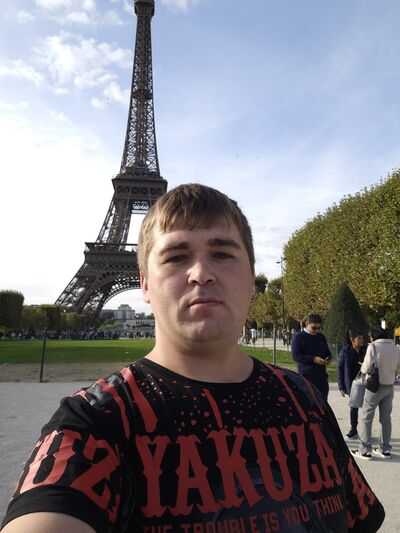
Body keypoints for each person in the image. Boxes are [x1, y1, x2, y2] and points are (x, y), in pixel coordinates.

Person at [1, 184, 384, 532]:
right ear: (145, 284)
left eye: (222, 254)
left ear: (251, 278)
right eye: (176, 257)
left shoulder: (307, 401)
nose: (201, 273)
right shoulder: (94, 423)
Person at [352, 325, 400, 460]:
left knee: (366, 418)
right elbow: (398, 368)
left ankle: (365, 450)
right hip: (389, 386)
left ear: (373, 336)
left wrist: (364, 368)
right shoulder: (395, 348)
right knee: (386, 419)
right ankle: (385, 449)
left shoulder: (373, 347)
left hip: (374, 387)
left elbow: (366, 368)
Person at [291, 314, 332, 401]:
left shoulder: (321, 337)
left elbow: (327, 352)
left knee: (323, 402)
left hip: (321, 376)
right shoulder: (298, 337)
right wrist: (313, 359)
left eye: (319, 328)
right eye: (314, 328)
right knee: (309, 401)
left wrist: (328, 358)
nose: (317, 330)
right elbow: (296, 356)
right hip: (307, 376)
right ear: (307, 324)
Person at [337, 329, 366, 439]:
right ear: (352, 340)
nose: (362, 340)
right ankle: (353, 429)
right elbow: (340, 369)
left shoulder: (365, 350)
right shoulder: (345, 351)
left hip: (365, 383)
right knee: (354, 407)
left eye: (362, 338)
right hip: (352, 384)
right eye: (359, 338)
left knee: (367, 407)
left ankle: (366, 432)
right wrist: (341, 386)